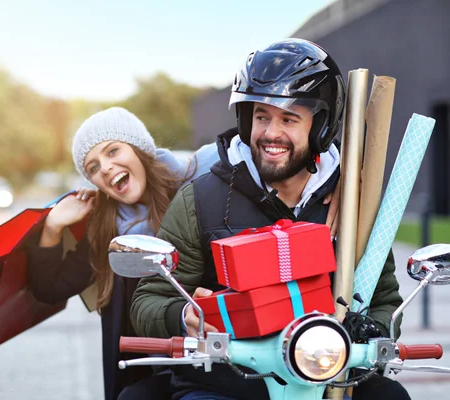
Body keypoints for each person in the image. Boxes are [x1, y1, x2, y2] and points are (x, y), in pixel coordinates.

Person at [130, 39, 410, 399]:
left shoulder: (355, 202)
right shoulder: (200, 200)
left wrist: (370, 329)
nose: (271, 133)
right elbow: (149, 299)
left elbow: (387, 302)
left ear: (321, 126)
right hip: (227, 384)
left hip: (331, 380)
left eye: (289, 118)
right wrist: (184, 313)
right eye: (261, 116)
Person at [26, 106, 221, 400]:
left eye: (113, 151)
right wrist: (53, 226)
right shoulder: (107, 230)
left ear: (140, 150)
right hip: (151, 370)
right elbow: (49, 288)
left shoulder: (201, 190)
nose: (104, 167)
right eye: (93, 167)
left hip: (217, 361)